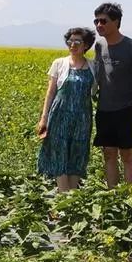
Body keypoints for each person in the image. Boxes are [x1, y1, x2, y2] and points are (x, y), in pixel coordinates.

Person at [92, 2, 132, 188]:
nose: (99, 25)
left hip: (125, 110)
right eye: (96, 21)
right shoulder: (99, 46)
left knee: (127, 154)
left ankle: (131, 195)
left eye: (103, 21)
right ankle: (112, 195)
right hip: (104, 109)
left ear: (116, 22)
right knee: (108, 153)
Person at [37, 27, 97, 192]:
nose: (72, 45)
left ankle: (71, 198)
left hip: (82, 118)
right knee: (59, 152)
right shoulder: (59, 63)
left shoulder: (93, 66)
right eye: (70, 42)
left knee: (78, 153)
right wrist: (44, 118)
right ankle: (64, 196)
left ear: (86, 45)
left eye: (77, 42)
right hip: (59, 115)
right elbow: (51, 92)